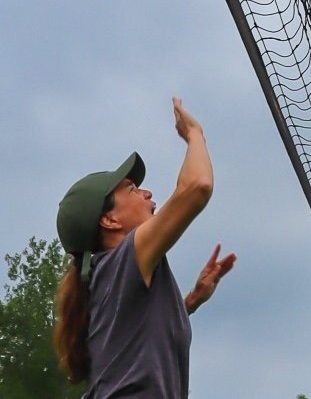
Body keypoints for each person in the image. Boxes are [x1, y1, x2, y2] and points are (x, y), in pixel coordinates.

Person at [53, 97, 237, 397]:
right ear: (109, 220)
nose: (147, 192)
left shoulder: (109, 277)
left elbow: (134, 336)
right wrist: (194, 134)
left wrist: (188, 302)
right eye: (132, 189)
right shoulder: (123, 259)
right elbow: (196, 187)